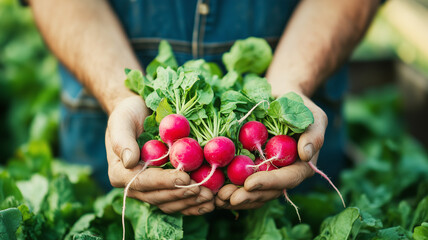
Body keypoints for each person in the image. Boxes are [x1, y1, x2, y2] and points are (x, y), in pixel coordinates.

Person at [28, 0, 381, 215]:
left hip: (289, 165)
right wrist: (122, 97)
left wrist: (291, 87)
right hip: (98, 125)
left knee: (299, 218)